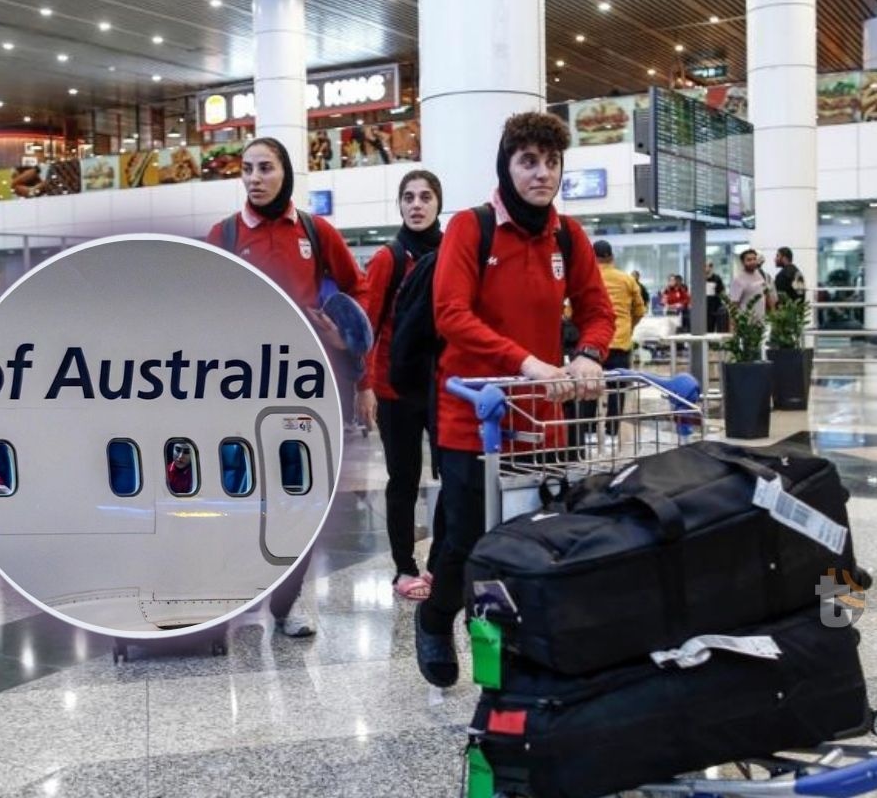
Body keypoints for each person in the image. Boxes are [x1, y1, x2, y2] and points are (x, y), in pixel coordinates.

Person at [413, 111, 615, 688]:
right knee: (464, 541)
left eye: (551, 162)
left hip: (541, 420)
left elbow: (599, 311)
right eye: (529, 161)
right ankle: (434, 617)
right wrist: (525, 362)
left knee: (536, 538)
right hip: (473, 418)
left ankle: (515, 649)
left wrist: (590, 355)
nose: (542, 173)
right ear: (506, 164)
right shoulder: (470, 229)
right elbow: (450, 314)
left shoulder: (568, 236)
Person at [206, 136, 371, 637]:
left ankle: (287, 604)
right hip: (239, 386)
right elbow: (199, 297)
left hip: (304, 386)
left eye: (265, 168)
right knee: (238, 492)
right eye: (247, 169)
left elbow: (358, 288)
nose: (254, 178)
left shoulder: (316, 233)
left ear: (286, 173)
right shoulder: (226, 233)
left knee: (299, 498)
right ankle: (237, 594)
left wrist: (344, 335)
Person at [362, 169, 447, 601]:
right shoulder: (388, 259)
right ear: (400, 205)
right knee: (404, 480)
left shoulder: (455, 253)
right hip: (396, 389)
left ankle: (438, 564)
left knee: (455, 475)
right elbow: (368, 325)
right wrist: (365, 385)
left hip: (443, 389)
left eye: (425, 196)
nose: (416, 204)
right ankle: (403, 567)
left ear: (438, 204)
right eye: (409, 197)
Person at [586, 240, 646, 439]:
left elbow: (571, 311)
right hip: (620, 342)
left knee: (589, 388)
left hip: (593, 344)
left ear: (592, 258)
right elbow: (639, 310)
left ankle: (587, 431)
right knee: (618, 389)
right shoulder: (627, 280)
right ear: (611, 257)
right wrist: (628, 327)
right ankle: (612, 432)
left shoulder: (587, 278)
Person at [729, 248, 775, 324]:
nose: (753, 262)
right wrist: (733, 328)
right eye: (749, 260)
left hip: (761, 323)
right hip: (746, 325)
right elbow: (734, 306)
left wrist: (774, 315)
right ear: (742, 262)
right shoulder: (738, 280)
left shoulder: (759, 275)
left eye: (754, 259)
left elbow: (767, 295)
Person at [704, 260, 727, 333]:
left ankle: (712, 343)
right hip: (703, 306)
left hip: (714, 306)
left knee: (712, 325)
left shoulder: (717, 278)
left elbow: (722, 291)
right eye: (705, 266)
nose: (707, 268)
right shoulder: (699, 278)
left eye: (709, 266)